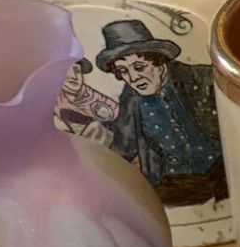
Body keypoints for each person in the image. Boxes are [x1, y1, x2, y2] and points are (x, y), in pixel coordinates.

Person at [97, 19, 226, 208]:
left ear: (158, 61)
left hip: (223, 172)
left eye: (139, 67)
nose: (133, 78)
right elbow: (122, 148)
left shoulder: (203, 80)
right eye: (123, 71)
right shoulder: (130, 99)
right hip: (174, 184)